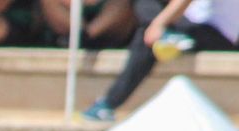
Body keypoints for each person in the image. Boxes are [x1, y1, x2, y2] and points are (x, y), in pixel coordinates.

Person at [83, 0, 239, 121]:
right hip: (202, 27)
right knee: (149, 28)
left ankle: (109, 103)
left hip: (216, 34)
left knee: (148, 34)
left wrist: (158, 24)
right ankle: (167, 37)